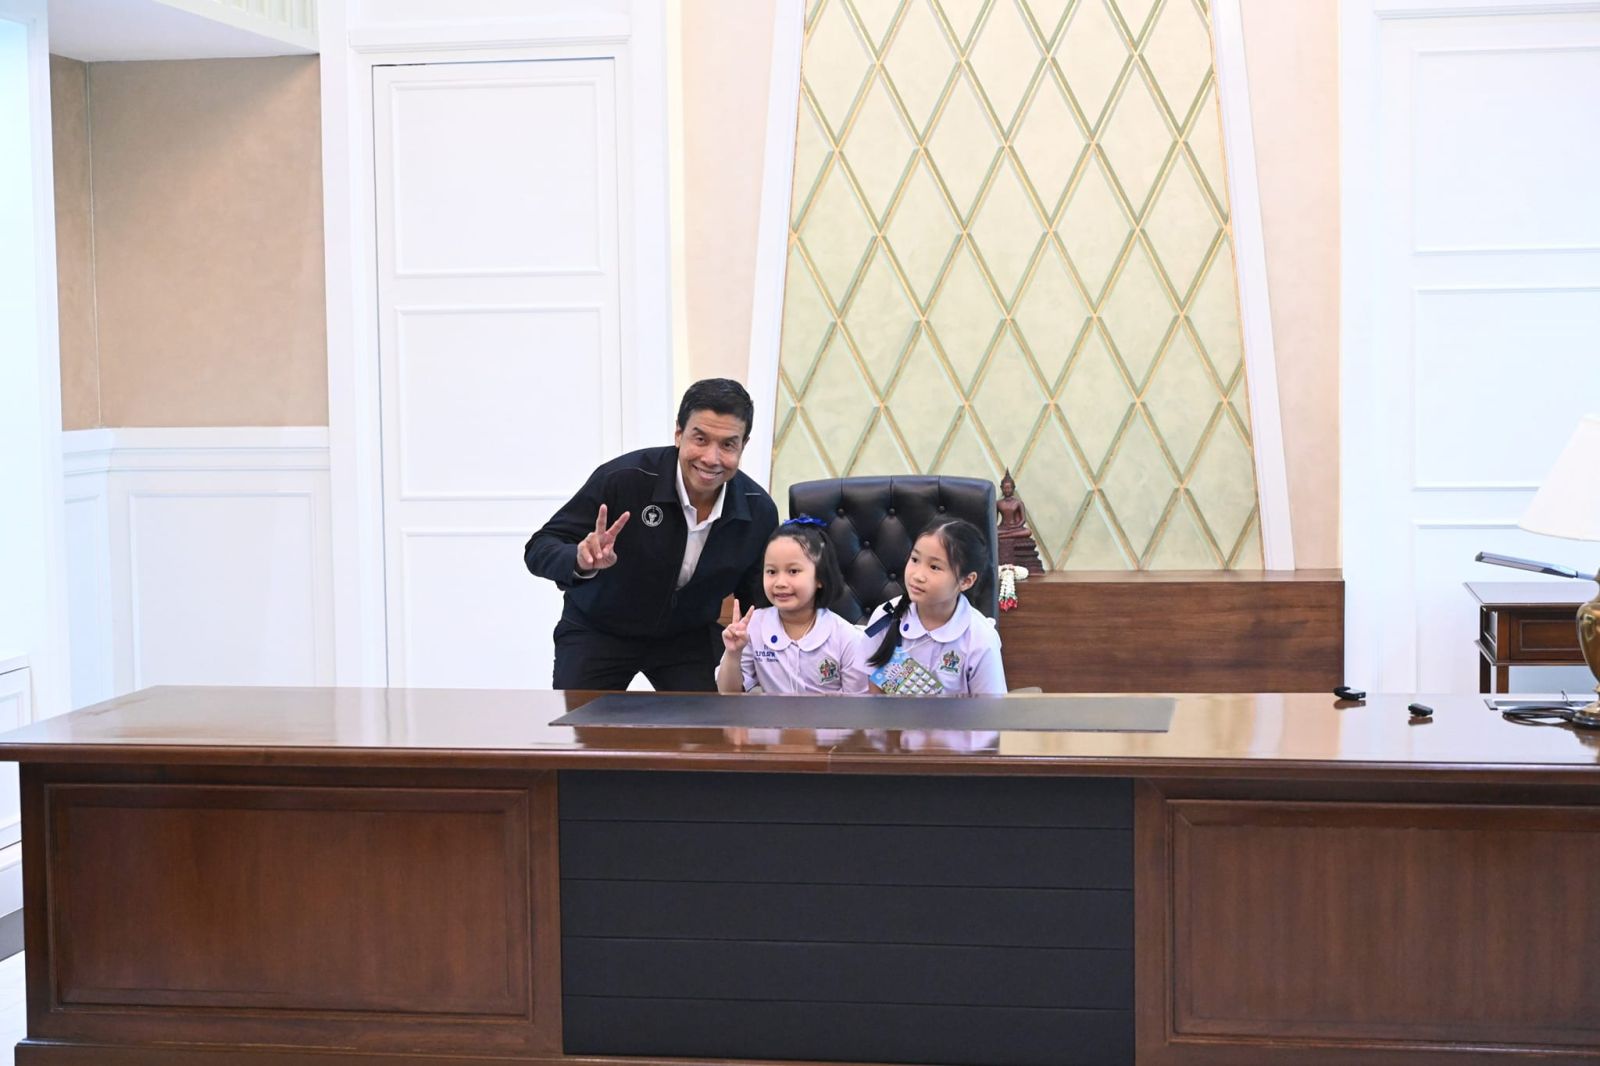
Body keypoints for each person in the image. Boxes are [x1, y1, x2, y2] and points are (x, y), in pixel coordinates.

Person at [523, 378, 778, 690]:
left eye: (728, 445)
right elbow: (540, 547)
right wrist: (579, 559)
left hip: (687, 637)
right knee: (580, 720)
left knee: (711, 719)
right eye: (700, 439)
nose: (711, 458)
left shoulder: (758, 510)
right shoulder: (623, 479)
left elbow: (758, 597)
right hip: (599, 629)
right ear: (679, 434)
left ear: (743, 445)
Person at [716, 518, 869, 696]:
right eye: (771, 571)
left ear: (820, 577)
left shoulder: (846, 637)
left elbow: (857, 706)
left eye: (793, 571)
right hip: (772, 715)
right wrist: (733, 654)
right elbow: (728, 693)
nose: (780, 582)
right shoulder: (754, 625)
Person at [864, 515, 1007, 696]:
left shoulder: (981, 638)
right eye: (915, 559)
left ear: (966, 581)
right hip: (893, 716)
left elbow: (989, 710)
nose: (917, 576)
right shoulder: (884, 617)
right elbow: (873, 696)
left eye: (934, 567)